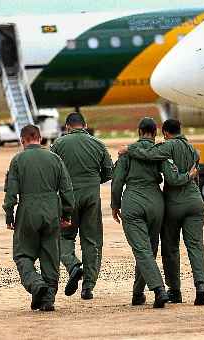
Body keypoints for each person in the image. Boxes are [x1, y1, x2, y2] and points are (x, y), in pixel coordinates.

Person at [111, 117, 197, 308]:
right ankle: (137, 293)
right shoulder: (159, 152)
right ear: (155, 133)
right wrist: (188, 177)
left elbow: (117, 182)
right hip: (156, 203)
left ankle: (158, 290)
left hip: (133, 200)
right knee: (149, 249)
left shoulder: (128, 153)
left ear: (139, 131)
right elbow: (171, 176)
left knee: (142, 250)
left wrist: (115, 204)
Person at [3, 124, 74, 311]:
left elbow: (11, 192)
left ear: (22, 140)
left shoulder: (17, 160)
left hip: (27, 212)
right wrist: (66, 214)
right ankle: (48, 299)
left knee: (22, 254)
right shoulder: (55, 159)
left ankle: (36, 285)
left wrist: (9, 214)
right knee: (50, 257)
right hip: (52, 211)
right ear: (40, 138)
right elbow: (67, 190)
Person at [50, 112, 113, 300]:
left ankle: (73, 265)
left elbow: (52, 172)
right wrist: (93, 181)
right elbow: (109, 172)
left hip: (67, 200)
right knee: (92, 241)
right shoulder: (98, 144)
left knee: (63, 237)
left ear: (67, 127)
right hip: (92, 198)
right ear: (85, 125)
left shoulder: (58, 145)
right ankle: (88, 287)